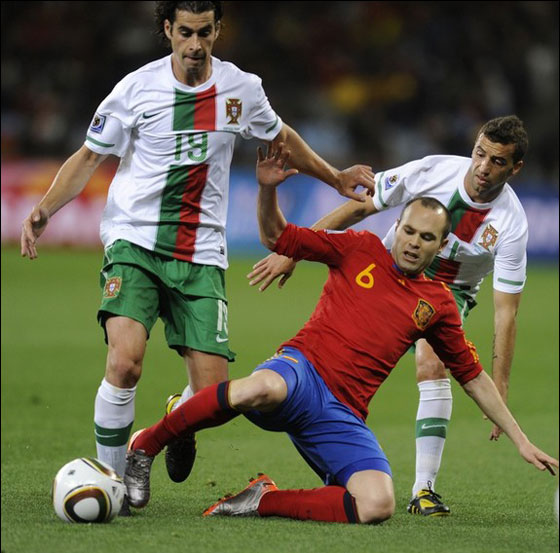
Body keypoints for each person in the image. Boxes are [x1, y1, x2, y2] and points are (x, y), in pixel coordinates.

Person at [19, 0, 376, 506]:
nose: (194, 44)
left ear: (217, 31)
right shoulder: (136, 88)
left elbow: (282, 137)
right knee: (125, 362)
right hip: (136, 241)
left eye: (204, 32)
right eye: (185, 32)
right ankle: (114, 481)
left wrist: (335, 177)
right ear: (167, 29)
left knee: (214, 396)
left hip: (201, 251)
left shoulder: (241, 89)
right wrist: (45, 208)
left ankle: (170, 420)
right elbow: (89, 156)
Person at [123, 144, 557, 525]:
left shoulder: (438, 305)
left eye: (426, 237)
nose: (412, 242)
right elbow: (276, 235)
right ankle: (146, 444)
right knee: (262, 386)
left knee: (377, 504)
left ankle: (262, 500)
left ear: (440, 246)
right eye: (408, 231)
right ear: (397, 225)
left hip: (343, 413)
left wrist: (521, 440)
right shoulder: (359, 248)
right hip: (300, 373)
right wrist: (267, 190)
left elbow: (472, 376)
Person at [247, 115, 531, 516]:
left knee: (432, 363)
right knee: (326, 357)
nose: (483, 167)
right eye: (480, 154)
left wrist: (500, 388)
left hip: (450, 291)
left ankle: (424, 489)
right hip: (388, 272)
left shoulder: (512, 224)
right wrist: (293, 251)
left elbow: (507, 311)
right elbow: (363, 205)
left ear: (515, 168)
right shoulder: (433, 171)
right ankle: (196, 399)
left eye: (497, 161)